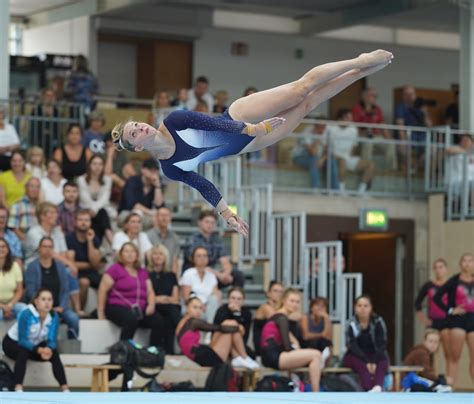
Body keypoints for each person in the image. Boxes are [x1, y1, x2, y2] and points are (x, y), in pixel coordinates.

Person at [112, 50, 393, 236]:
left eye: (136, 124)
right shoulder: (170, 169)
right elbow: (203, 185)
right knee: (307, 105)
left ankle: (359, 61)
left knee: (301, 89)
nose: (140, 128)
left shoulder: (174, 121)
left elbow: (213, 124)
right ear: (137, 148)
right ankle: (360, 74)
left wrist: (252, 127)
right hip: (248, 144)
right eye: (134, 133)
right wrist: (226, 213)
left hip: (239, 116)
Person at [97, 242, 165, 348]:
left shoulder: (142, 272)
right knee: (131, 319)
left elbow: (150, 291)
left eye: (133, 251)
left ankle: (152, 351)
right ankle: (123, 350)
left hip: (139, 309)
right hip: (117, 307)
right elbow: (102, 290)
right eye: (126, 251)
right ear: (121, 254)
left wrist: (151, 305)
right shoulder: (115, 269)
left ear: (137, 255)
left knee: (158, 320)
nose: (130, 254)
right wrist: (100, 312)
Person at [2, 288, 70, 392]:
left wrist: (49, 349)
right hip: (12, 343)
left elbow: (52, 339)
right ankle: (18, 387)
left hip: (34, 345)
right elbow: (23, 340)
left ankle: (65, 388)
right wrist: (39, 350)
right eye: (43, 299)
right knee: (23, 351)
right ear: (36, 301)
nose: (47, 303)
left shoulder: (53, 316)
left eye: (50, 299)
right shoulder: (26, 313)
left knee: (54, 353)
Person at [259, 288, 322, 391]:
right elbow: (287, 346)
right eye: (292, 301)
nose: (295, 304)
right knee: (316, 355)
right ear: (284, 301)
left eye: (297, 302)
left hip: (271, 355)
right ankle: (316, 393)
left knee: (312, 355)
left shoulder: (278, 316)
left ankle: (299, 385)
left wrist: (297, 352)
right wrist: (298, 355)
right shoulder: (282, 318)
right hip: (273, 356)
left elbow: (289, 341)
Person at [176, 296, 259, 369]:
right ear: (186, 308)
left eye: (200, 308)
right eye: (195, 307)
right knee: (230, 326)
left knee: (228, 324)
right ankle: (243, 357)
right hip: (204, 357)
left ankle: (239, 358)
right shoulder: (193, 322)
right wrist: (238, 328)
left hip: (201, 352)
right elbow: (219, 328)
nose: (198, 311)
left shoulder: (183, 321)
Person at [24, 237, 80, 339]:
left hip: (59, 307)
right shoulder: (32, 267)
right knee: (49, 319)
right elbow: (30, 291)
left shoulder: (60, 267)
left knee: (74, 318)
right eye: (44, 246)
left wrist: (62, 307)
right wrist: (44, 307)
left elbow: (65, 290)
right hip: (39, 308)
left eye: (50, 247)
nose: (47, 249)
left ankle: (72, 343)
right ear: (39, 248)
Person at [433, 252, 474, 385]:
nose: (467, 264)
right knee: (454, 357)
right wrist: (450, 310)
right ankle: (450, 388)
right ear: (460, 264)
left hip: (473, 318)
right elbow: (437, 297)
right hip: (458, 319)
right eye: (464, 261)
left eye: (470, 261)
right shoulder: (454, 280)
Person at [183, 210, 244, 288]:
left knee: (238, 275)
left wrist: (225, 275)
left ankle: (235, 297)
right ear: (199, 222)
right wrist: (219, 275)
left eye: (212, 223)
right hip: (195, 272)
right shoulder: (192, 240)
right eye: (207, 222)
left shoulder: (217, 240)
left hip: (212, 274)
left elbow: (225, 262)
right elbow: (199, 264)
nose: (210, 225)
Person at [342, 294, 389, 392]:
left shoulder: (378, 322)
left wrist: (374, 361)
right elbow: (352, 346)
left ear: (371, 308)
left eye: (365, 306)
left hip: (374, 354)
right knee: (361, 364)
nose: (362, 309)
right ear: (355, 308)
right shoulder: (351, 323)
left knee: (383, 360)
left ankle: (377, 386)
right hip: (355, 355)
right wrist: (367, 361)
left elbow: (382, 343)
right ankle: (368, 387)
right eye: (359, 306)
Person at [414, 258, 451, 376]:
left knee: (448, 352)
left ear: (446, 269)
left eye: (441, 267)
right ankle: (432, 376)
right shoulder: (429, 285)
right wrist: (423, 319)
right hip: (433, 322)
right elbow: (417, 303)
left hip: (447, 322)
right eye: (436, 268)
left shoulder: (451, 285)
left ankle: (448, 380)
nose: (438, 270)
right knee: (429, 351)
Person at [328, 108, 375, 194]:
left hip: (348, 158)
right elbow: (326, 146)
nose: (351, 120)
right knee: (343, 161)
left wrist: (351, 159)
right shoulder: (331, 128)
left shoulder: (353, 129)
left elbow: (354, 147)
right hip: (335, 158)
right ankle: (341, 191)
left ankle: (361, 192)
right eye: (348, 118)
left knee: (370, 165)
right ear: (341, 118)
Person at [352, 87, 397, 171]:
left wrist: (388, 138)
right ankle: (366, 169)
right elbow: (354, 127)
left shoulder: (377, 109)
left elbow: (383, 125)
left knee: (391, 144)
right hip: (363, 137)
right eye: (373, 95)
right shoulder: (357, 108)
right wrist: (363, 133)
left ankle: (390, 170)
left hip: (376, 136)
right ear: (365, 96)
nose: (375, 98)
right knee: (368, 144)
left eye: (376, 96)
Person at [66, 210, 102, 310]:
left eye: (86, 220)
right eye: (80, 220)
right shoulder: (69, 238)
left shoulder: (94, 238)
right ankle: (79, 311)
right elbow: (71, 264)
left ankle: (100, 311)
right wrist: (89, 265)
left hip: (92, 273)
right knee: (84, 282)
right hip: (75, 273)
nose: (83, 222)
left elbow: (95, 263)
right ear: (75, 222)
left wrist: (90, 241)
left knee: (108, 281)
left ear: (90, 223)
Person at [147, 245, 180, 354]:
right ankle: (183, 328)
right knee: (166, 316)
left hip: (168, 307)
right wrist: (158, 299)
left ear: (165, 257)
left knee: (169, 318)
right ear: (151, 257)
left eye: (161, 254)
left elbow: (176, 298)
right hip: (153, 307)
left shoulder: (171, 275)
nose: (158, 256)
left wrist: (161, 298)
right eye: (155, 254)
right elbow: (147, 296)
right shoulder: (147, 274)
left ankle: (167, 352)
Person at [117, 158, 164, 229]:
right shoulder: (132, 181)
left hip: (145, 215)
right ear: (143, 169)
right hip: (127, 213)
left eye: (155, 170)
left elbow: (159, 205)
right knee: (137, 220)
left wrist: (157, 186)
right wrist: (151, 212)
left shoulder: (156, 184)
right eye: (150, 170)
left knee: (160, 219)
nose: (153, 173)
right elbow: (132, 204)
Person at [394, 85, 432, 172]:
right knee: (403, 149)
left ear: (415, 95)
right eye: (407, 94)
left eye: (411, 94)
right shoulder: (401, 107)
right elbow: (400, 125)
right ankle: (407, 170)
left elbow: (429, 125)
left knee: (432, 150)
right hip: (409, 136)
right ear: (403, 96)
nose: (410, 97)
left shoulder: (420, 107)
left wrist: (425, 113)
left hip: (422, 136)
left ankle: (417, 168)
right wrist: (403, 140)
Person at [291, 120, 339, 189]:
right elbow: (312, 152)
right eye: (320, 127)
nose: (322, 129)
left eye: (324, 127)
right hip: (299, 157)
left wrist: (322, 159)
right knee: (313, 159)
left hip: (318, 158)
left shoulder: (327, 132)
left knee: (331, 160)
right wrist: (317, 139)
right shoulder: (307, 132)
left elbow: (330, 151)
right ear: (315, 126)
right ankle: (315, 188)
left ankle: (335, 190)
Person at [77, 154, 113, 244]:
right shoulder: (81, 179)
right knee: (101, 214)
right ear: (89, 165)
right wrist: (93, 209)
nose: (97, 167)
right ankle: (110, 240)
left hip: (101, 209)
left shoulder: (108, 180)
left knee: (102, 213)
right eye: (95, 164)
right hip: (85, 209)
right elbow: (84, 199)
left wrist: (94, 209)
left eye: (100, 164)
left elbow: (105, 199)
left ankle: (99, 243)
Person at [180, 246, 221, 323]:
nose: (202, 258)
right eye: (199, 256)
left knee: (214, 300)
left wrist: (206, 307)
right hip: (193, 306)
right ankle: (211, 330)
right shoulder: (188, 273)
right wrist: (200, 306)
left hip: (208, 308)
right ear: (193, 259)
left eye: (204, 256)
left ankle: (210, 329)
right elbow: (186, 298)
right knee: (203, 310)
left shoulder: (211, 275)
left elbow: (216, 296)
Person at [213, 287, 253, 357]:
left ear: (243, 301)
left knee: (252, 354)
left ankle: (241, 357)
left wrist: (236, 313)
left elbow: (244, 335)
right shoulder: (222, 310)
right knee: (231, 326)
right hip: (221, 342)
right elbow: (220, 329)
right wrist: (237, 323)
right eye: (233, 298)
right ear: (228, 299)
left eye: (239, 299)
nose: (236, 301)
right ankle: (243, 357)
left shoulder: (247, 314)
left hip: (238, 344)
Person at [146, 206, 181, 274]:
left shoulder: (175, 238)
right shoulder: (148, 236)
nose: (164, 218)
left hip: (169, 274)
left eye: (167, 215)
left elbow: (175, 259)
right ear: (156, 218)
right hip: (151, 273)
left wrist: (173, 278)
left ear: (170, 218)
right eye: (161, 215)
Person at [253, 281, 284, 355]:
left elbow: (298, 316)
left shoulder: (280, 309)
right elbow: (278, 319)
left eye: (281, 292)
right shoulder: (265, 307)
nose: (278, 294)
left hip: (275, 344)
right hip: (264, 348)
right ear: (268, 293)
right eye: (275, 291)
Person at [29, 87, 60, 158]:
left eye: (52, 96)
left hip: (52, 139)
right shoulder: (37, 110)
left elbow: (57, 128)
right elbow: (34, 127)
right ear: (43, 97)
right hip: (38, 138)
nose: (50, 98)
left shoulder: (56, 111)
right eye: (48, 96)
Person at [8, 177, 41, 242]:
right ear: (26, 188)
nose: (34, 189)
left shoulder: (41, 206)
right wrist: (27, 240)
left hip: (40, 240)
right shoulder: (17, 205)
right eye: (32, 186)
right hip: (24, 240)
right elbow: (13, 228)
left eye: (37, 187)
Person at [0, 238, 26, 320]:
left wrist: (10, 305)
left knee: (25, 310)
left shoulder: (15, 266)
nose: (1, 249)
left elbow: (19, 290)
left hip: (12, 303)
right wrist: (2, 307)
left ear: (8, 249)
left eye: (3, 246)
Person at [0, 106, 21, 171]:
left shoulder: (10, 127)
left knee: (17, 160)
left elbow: (17, 144)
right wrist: (9, 148)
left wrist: (5, 149)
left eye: (1, 113)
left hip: (10, 155)